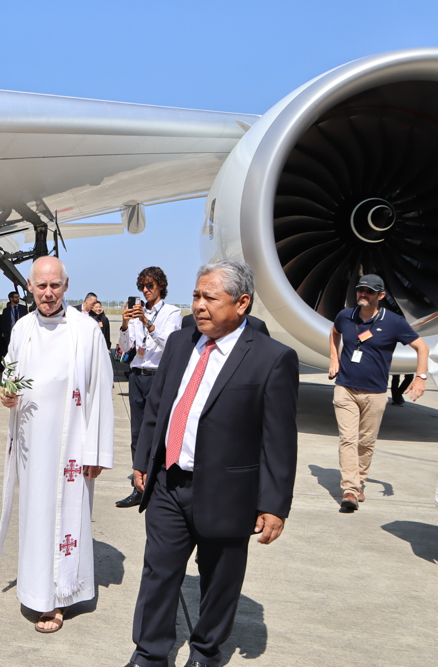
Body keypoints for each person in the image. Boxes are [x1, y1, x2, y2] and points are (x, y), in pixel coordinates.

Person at [122, 260, 299, 667]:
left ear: (241, 303)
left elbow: (279, 441)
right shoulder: (182, 343)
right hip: (168, 482)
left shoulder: (272, 359)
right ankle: (150, 652)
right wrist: (144, 459)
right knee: (159, 572)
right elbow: (158, 409)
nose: (199, 306)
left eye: (209, 297)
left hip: (228, 492)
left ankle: (205, 651)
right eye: (196, 296)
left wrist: (274, 505)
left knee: (220, 579)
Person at [0, 256, 114, 633]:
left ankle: (60, 598)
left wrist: (98, 451)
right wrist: (7, 395)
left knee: (66, 517)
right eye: (41, 286)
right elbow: (10, 374)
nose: (48, 293)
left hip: (72, 446)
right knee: (37, 517)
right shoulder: (22, 328)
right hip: (32, 444)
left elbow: (100, 392)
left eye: (55, 286)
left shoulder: (87, 330)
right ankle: (35, 590)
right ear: (29, 286)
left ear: (66, 286)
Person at [328, 274, 429, 511]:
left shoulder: (393, 322)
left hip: (374, 393)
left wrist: (420, 377)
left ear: (380, 296)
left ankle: (359, 481)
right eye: (360, 290)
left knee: (366, 442)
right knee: (348, 439)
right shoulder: (345, 316)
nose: (363, 294)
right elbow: (334, 333)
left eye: (369, 292)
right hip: (345, 389)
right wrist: (334, 359)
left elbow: (421, 347)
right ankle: (350, 490)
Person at [116, 267, 182, 508]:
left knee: (158, 431)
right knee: (137, 433)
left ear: (161, 286)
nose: (145, 291)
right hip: (137, 375)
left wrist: (147, 323)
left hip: (158, 376)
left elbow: (170, 344)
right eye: (142, 287)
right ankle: (138, 486)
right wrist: (125, 324)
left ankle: (157, 483)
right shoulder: (136, 313)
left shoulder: (172, 313)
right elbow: (125, 348)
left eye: (150, 286)